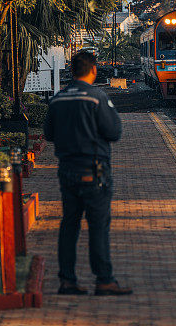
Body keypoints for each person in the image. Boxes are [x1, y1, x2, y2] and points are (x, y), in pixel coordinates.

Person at [44, 49, 132, 296]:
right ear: (93, 70)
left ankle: (67, 280)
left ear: (71, 71)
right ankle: (103, 279)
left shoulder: (58, 99)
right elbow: (114, 132)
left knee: (69, 225)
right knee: (98, 225)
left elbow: (49, 134)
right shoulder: (97, 97)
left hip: (67, 171)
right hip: (94, 171)